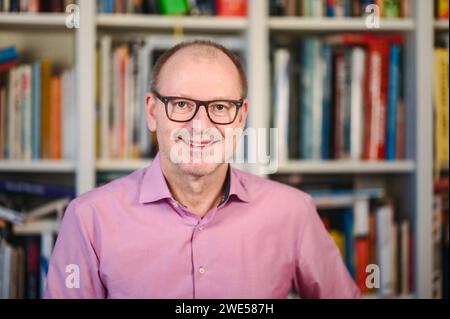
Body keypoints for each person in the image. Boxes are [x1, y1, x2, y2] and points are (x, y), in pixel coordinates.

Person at [44, 40, 360, 299]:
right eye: (181, 104)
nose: (200, 125)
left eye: (220, 107)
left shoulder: (293, 212)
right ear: (153, 113)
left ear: (240, 118)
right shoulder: (89, 219)